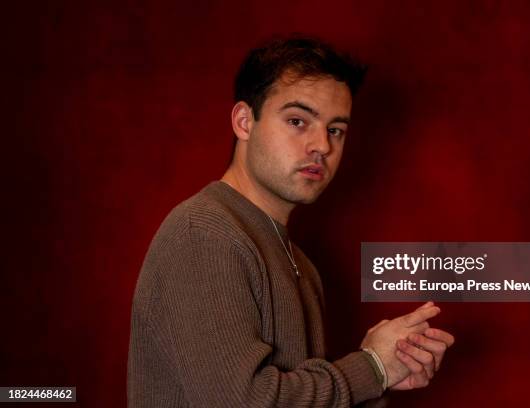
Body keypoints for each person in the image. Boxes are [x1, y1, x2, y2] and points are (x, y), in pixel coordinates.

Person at [128, 36, 454, 407]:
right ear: (244, 121)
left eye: (335, 130)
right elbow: (244, 402)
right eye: (298, 121)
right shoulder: (203, 232)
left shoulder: (301, 265)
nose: (322, 146)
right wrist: (372, 366)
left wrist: (385, 375)